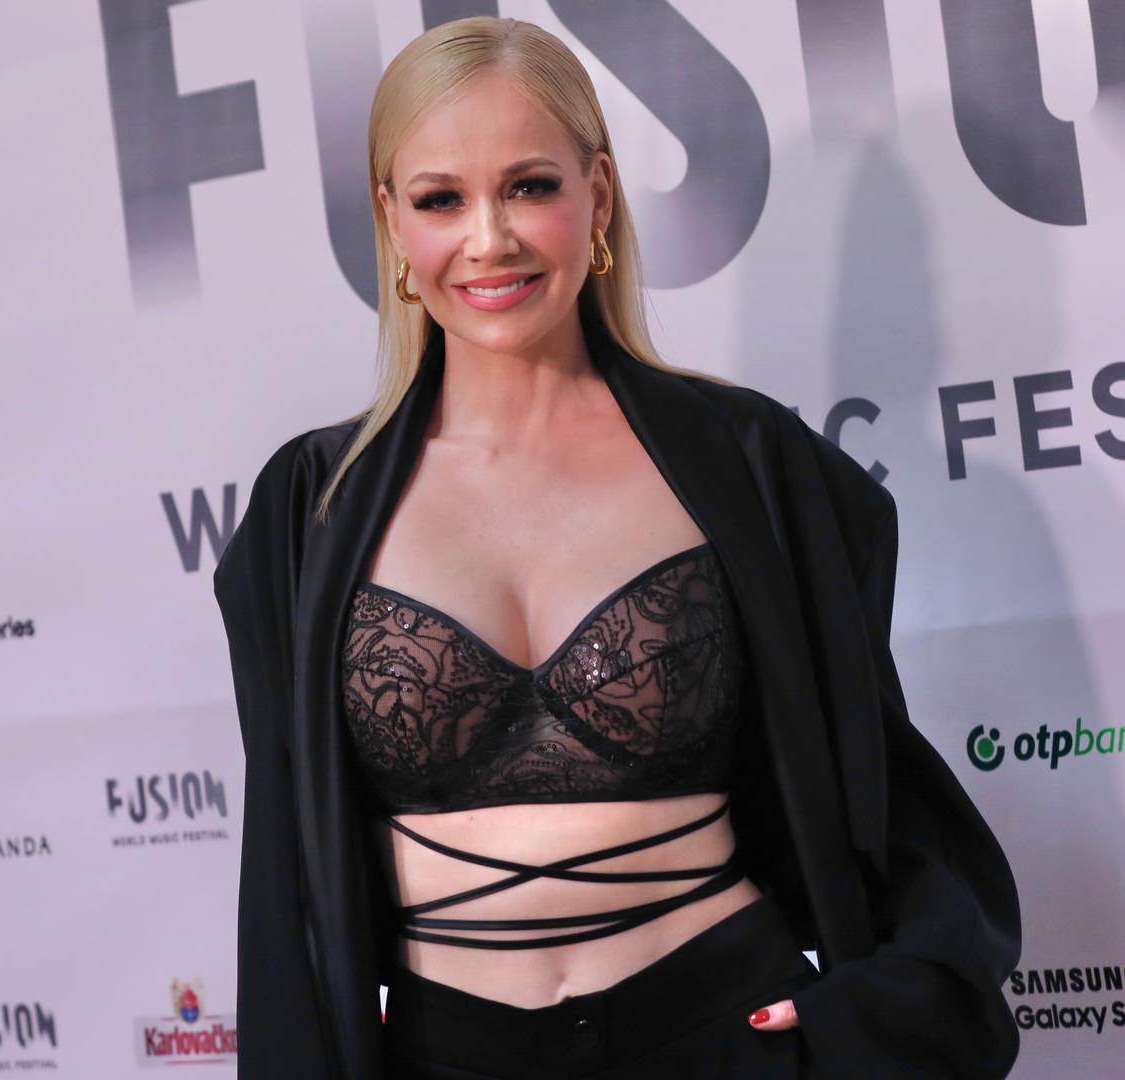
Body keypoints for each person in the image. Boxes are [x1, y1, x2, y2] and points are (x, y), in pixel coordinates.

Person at [213, 15, 1021, 1079]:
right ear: (390, 221)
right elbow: (285, 877)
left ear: (597, 196)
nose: (489, 239)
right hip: (447, 1056)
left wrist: (857, 1017)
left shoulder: (752, 466)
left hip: (720, 1031)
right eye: (441, 198)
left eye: (529, 186)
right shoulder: (306, 511)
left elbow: (880, 782)